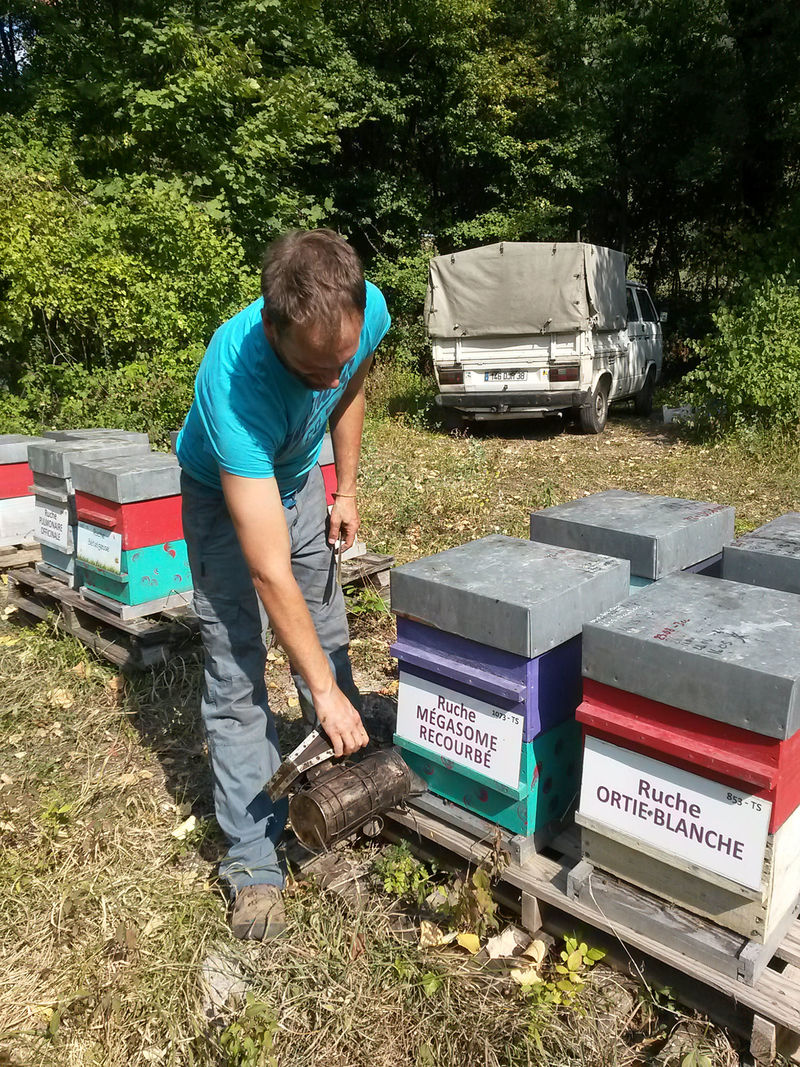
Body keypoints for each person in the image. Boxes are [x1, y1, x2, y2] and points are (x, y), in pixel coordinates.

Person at [176, 229, 391, 939]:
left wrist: (345, 487)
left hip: (301, 482)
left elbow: (351, 387)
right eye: (311, 369)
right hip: (225, 495)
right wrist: (325, 694)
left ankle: (332, 799)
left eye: (339, 359)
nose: (329, 380)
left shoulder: (363, 312)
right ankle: (253, 860)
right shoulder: (232, 385)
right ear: (273, 331)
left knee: (325, 636)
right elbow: (267, 569)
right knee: (236, 667)